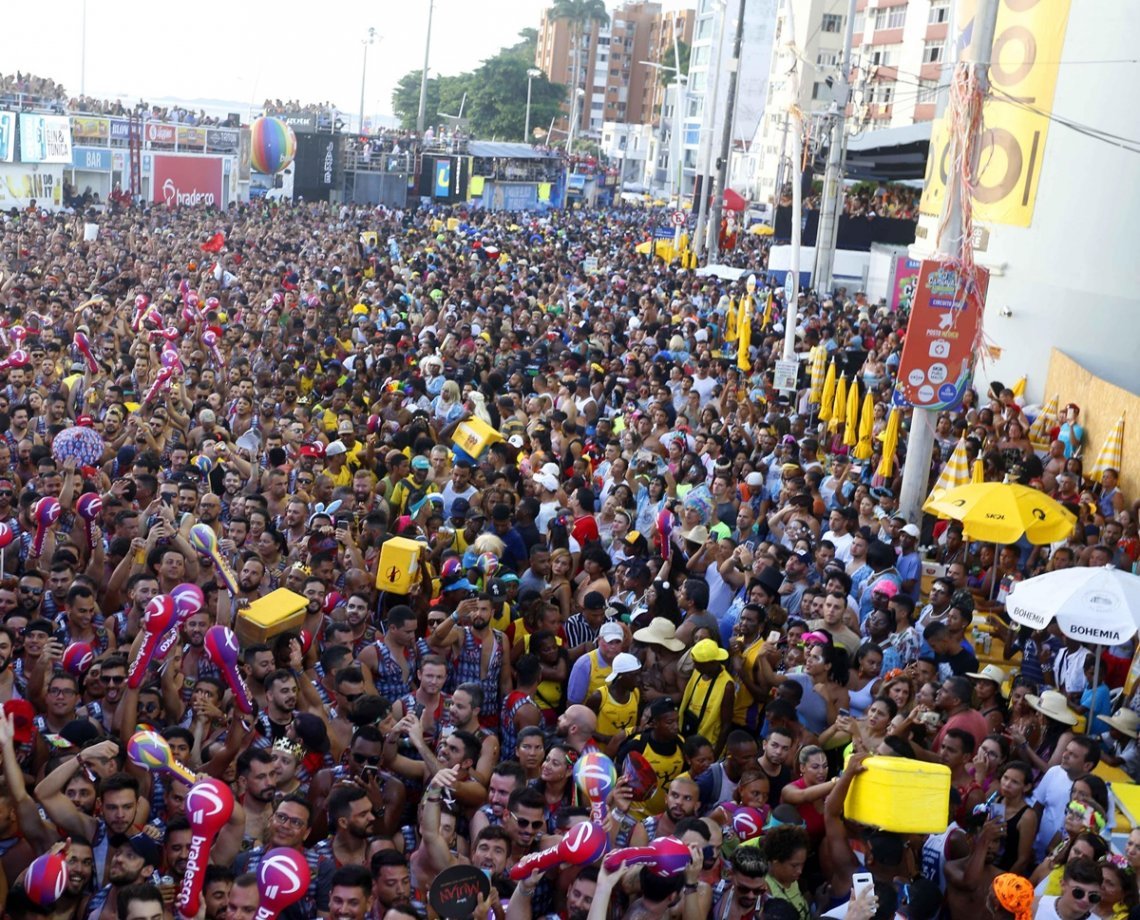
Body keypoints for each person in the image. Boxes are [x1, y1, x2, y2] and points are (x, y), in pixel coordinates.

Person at [1035, 858, 1104, 920]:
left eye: (1093, 896)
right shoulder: (1036, 906)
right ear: (1063, 885)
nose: (1085, 900)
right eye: (1079, 892)